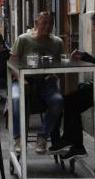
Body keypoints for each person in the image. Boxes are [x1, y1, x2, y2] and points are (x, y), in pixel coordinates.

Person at [53, 8, 95, 159]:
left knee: (70, 102)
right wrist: (85, 56)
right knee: (71, 101)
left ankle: (73, 142)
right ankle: (74, 143)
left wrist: (88, 85)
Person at [9, 11, 65, 154]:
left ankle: (43, 136)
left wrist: (54, 74)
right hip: (23, 80)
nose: (48, 26)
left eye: (51, 23)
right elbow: (11, 65)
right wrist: (22, 79)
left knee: (58, 100)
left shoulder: (57, 42)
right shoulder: (23, 39)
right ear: (36, 23)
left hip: (46, 83)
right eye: (44, 22)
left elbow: (61, 65)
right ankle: (18, 138)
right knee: (15, 99)